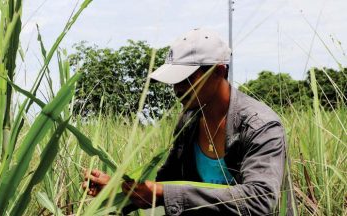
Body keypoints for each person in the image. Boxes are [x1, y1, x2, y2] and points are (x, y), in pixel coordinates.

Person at [81, 28, 295, 215]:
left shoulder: (262, 127)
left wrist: (163, 193)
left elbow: (259, 200)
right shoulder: (189, 121)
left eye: (187, 79)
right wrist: (116, 191)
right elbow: (164, 186)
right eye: (174, 81)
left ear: (218, 72)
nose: (177, 89)